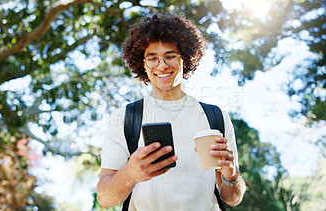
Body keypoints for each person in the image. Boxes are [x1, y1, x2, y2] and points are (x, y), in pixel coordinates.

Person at [96, 13, 246, 210]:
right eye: (152, 58)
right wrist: (130, 173)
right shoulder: (125, 118)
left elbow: (233, 199)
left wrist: (231, 173)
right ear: (144, 65)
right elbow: (105, 198)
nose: (162, 65)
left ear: (185, 59)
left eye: (170, 56)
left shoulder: (215, 117)